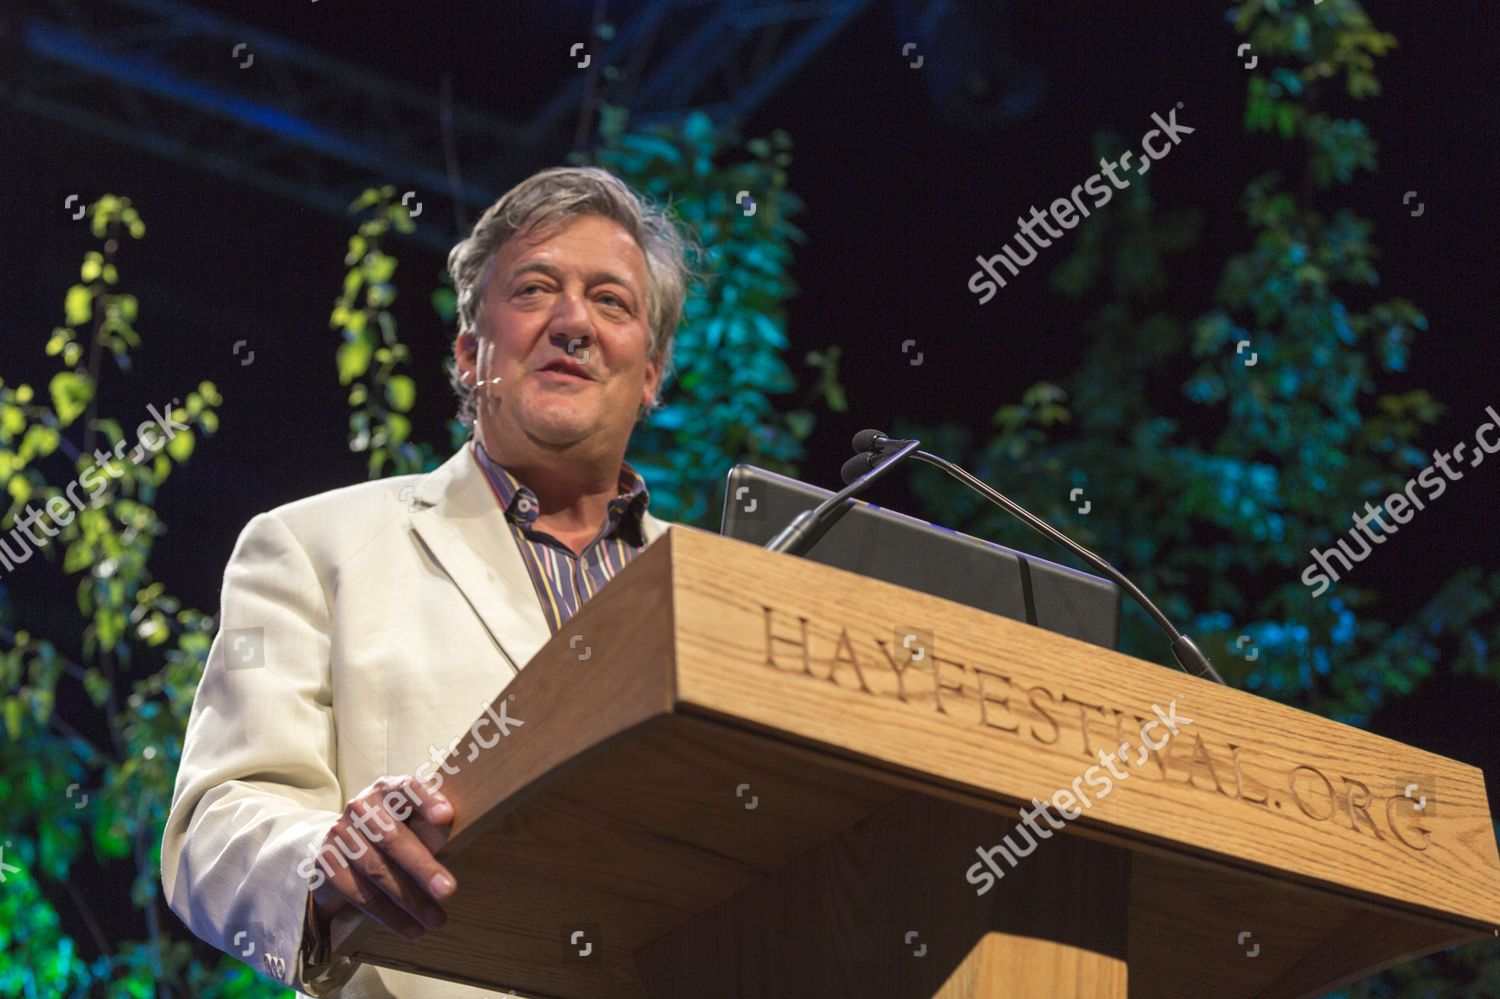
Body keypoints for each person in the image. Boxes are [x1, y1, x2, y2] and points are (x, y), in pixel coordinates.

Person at [161, 166, 694, 997]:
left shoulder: (715, 594)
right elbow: (216, 825)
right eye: (535, 289)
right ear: (470, 353)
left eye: (612, 302)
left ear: (652, 373)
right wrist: (330, 854)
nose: (573, 322)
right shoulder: (309, 546)